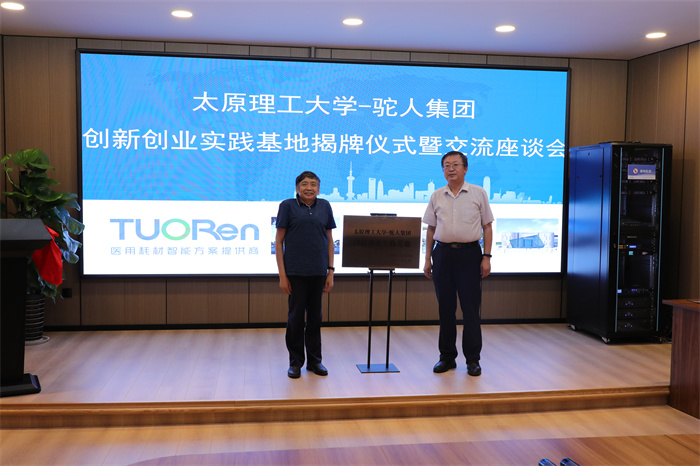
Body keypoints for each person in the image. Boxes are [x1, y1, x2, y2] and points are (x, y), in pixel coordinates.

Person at [422, 151, 493, 377]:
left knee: (471, 309)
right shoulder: (437, 195)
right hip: (442, 255)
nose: (450, 169)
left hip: (470, 255)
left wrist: (487, 257)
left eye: (455, 164)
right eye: (446, 165)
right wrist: (427, 258)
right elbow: (431, 229)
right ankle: (447, 358)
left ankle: (473, 360)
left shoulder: (478, 193)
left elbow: (487, 226)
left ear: (465, 168)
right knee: (445, 309)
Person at [275, 171, 336, 379]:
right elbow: (278, 242)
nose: (309, 188)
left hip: (318, 271)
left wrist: (330, 271)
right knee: (295, 319)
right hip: (295, 272)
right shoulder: (287, 206)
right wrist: (282, 275)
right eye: (304, 184)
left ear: (318, 188)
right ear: (297, 188)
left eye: (313, 184)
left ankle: (315, 361)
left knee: (315, 319)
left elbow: (329, 241)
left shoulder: (325, 206)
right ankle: (295, 362)